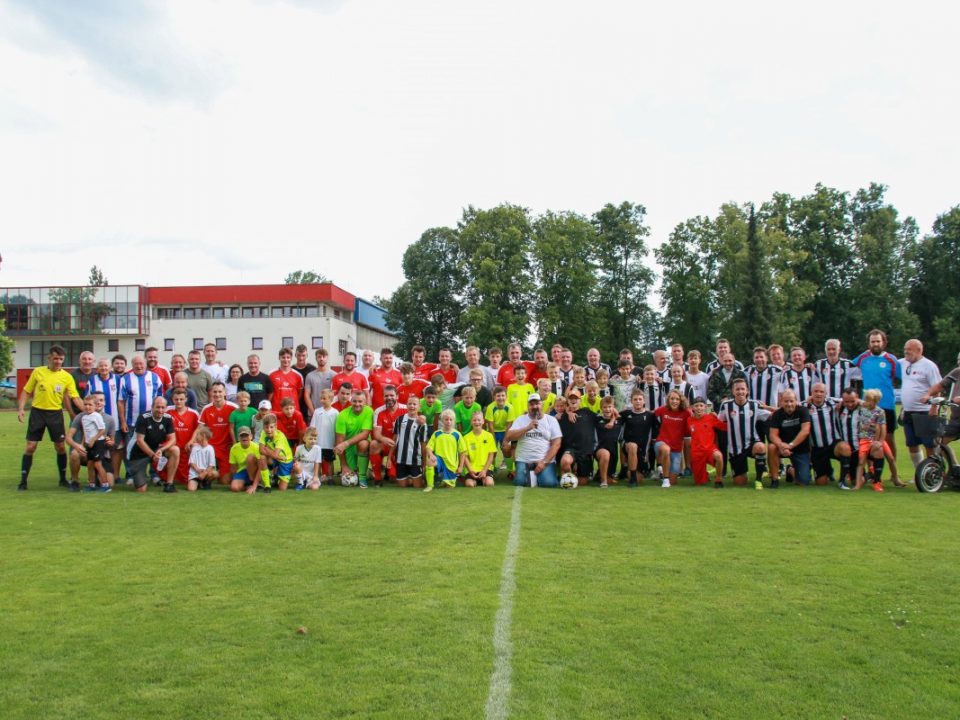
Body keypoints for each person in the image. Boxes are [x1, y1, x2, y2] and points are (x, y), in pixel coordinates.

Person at [18, 345, 84, 490]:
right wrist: (21, 408)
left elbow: (75, 397)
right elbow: (26, 391)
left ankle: (62, 479)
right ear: (49, 358)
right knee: (30, 446)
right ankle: (23, 481)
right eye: (55, 358)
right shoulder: (38, 372)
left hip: (55, 414)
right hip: (38, 413)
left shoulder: (67, 377)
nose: (58, 361)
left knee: (60, 447)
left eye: (61, 359)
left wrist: (87, 411)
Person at [851, 329, 901, 460]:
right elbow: (846, 368)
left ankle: (893, 466)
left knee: (888, 437)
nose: (875, 344)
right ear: (869, 343)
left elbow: (905, 377)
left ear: (884, 342)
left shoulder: (891, 359)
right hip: (868, 406)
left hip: (887, 404)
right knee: (867, 438)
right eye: (872, 342)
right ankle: (871, 469)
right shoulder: (862, 358)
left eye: (878, 341)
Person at [716, 378, 771, 487]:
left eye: (742, 389)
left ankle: (758, 480)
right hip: (735, 449)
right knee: (740, 483)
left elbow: (771, 415)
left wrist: (775, 408)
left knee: (760, 447)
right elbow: (718, 422)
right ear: (733, 391)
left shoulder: (754, 405)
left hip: (751, 443)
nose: (740, 392)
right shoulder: (726, 405)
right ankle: (741, 473)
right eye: (737, 389)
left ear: (747, 391)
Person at [898, 338, 942, 465]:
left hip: (925, 411)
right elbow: (888, 362)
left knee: (929, 444)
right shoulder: (903, 363)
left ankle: (933, 471)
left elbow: (938, 387)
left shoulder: (929, 366)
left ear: (919, 350)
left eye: (909, 350)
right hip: (908, 411)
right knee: (912, 444)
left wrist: (934, 407)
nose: (906, 352)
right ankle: (920, 471)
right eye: (905, 350)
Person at [504, 394, 562, 488]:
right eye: (531, 404)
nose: (534, 406)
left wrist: (544, 462)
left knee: (549, 483)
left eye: (537, 404)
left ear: (542, 404)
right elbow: (509, 437)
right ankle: (532, 476)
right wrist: (527, 428)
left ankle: (535, 476)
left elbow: (556, 444)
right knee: (520, 482)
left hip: (544, 460)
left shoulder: (551, 420)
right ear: (528, 406)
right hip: (524, 460)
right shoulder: (520, 419)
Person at [127, 396, 180, 493]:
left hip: (157, 451)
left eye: (163, 407)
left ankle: (169, 484)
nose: (160, 410)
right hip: (139, 453)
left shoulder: (168, 418)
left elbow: (173, 439)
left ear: (166, 408)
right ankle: (136, 476)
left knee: (175, 450)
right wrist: (152, 455)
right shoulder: (143, 418)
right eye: (158, 407)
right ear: (152, 407)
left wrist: (161, 450)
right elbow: (140, 441)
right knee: (141, 489)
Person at [805, 383, 853, 486]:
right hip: (817, 448)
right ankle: (829, 471)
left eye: (821, 392)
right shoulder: (804, 406)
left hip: (833, 445)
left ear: (826, 393)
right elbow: (787, 407)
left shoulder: (832, 402)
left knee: (845, 448)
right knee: (821, 483)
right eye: (816, 391)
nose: (818, 394)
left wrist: (844, 402)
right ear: (811, 393)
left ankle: (842, 481)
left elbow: (852, 400)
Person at [192, 381, 237, 486]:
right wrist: (192, 441)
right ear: (211, 393)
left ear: (225, 392)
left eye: (220, 392)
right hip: (210, 446)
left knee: (225, 481)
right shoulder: (206, 408)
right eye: (215, 392)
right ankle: (207, 478)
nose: (217, 394)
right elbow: (199, 428)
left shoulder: (233, 408)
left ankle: (215, 475)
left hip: (226, 447)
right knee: (204, 471)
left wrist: (235, 443)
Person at [768, 389, 813, 487]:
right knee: (772, 447)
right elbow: (773, 435)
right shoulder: (777, 414)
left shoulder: (803, 411)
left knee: (803, 482)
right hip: (782, 448)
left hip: (800, 449)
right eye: (786, 401)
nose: (789, 404)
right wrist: (781, 445)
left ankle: (790, 470)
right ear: (781, 402)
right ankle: (775, 479)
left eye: (791, 401)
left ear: (796, 401)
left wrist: (790, 446)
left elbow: (805, 431)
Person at [118, 355, 163, 450]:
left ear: (145, 364)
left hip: (152, 420)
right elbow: (121, 402)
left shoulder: (154, 377)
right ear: (132, 365)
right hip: (132, 422)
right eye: (136, 364)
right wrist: (123, 422)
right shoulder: (125, 379)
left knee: (152, 448)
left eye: (141, 363)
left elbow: (160, 400)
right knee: (131, 449)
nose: (139, 366)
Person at [557, 389, 598, 487]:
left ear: (580, 400)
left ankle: (574, 474)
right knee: (565, 462)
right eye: (571, 398)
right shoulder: (561, 416)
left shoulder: (587, 413)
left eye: (576, 398)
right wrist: (567, 412)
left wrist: (614, 412)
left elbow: (603, 416)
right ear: (567, 401)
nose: (573, 400)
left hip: (585, 451)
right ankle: (569, 479)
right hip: (570, 449)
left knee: (583, 482)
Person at [334, 389, 373, 487]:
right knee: (351, 474)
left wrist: (346, 443)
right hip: (349, 449)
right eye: (354, 401)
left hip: (360, 445)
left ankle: (363, 477)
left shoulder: (369, 411)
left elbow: (365, 434)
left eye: (360, 401)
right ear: (351, 401)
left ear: (365, 402)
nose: (357, 404)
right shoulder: (342, 415)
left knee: (363, 443)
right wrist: (344, 465)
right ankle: (360, 471)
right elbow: (339, 442)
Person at [853, 389, 889, 492]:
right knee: (861, 462)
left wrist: (880, 441)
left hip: (874, 439)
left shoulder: (880, 412)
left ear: (876, 401)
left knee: (886, 456)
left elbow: (882, 428)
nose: (867, 402)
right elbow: (855, 400)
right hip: (863, 439)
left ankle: (878, 481)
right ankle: (858, 484)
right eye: (866, 399)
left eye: (869, 400)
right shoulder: (862, 407)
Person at [920, 350, 960, 444]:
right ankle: (947, 454)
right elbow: (940, 386)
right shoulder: (957, 372)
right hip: (956, 419)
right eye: (958, 360)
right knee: (940, 442)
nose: (959, 363)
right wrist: (928, 394)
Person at [654, 390, 691, 487]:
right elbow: (651, 415)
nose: (674, 401)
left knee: (673, 481)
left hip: (676, 448)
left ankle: (662, 474)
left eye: (677, 399)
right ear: (668, 400)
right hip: (661, 443)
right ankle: (665, 480)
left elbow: (694, 422)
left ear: (681, 401)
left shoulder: (686, 413)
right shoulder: (663, 409)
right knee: (666, 450)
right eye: (672, 399)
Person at [370, 385, 405, 487]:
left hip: (401, 446)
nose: (389, 398)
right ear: (383, 397)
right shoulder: (378, 411)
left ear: (397, 396)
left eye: (391, 395)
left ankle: (390, 471)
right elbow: (376, 434)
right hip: (386, 444)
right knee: (373, 444)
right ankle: (377, 478)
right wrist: (383, 439)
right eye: (386, 396)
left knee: (394, 479)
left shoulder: (406, 409)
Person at [686, 397, 726, 487]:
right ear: (692, 407)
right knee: (700, 482)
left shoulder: (711, 418)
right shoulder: (689, 420)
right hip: (696, 452)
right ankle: (705, 475)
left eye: (701, 405)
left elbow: (723, 426)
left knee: (719, 456)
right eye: (696, 406)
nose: (699, 408)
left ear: (705, 407)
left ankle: (719, 479)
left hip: (709, 449)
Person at [619, 390, 656, 486]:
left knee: (639, 478)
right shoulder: (625, 414)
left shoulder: (650, 415)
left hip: (642, 450)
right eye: (635, 399)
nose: (638, 401)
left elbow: (657, 429)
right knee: (633, 446)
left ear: (644, 401)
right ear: (631, 401)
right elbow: (613, 416)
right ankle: (633, 479)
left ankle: (631, 472)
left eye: (640, 399)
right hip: (628, 446)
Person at [166, 388, 201, 486]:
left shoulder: (193, 413)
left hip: (186, 448)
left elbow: (198, 429)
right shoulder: (167, 411)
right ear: (172, 399)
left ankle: (201, 476)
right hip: (172, 447)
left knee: (185, 478)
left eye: (181, 399)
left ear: (186, 399)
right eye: (176, 399)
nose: (179, 401)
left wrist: (191, 441)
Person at [76, 394, 109, 491]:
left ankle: (105, 485)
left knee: (97, 464)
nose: (87, 407)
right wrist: (83, 443)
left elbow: (102, 430)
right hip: (89, 444)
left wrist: (94, 439)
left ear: (95, 406)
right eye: (85, 404)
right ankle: (92, 484)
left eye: (90, 405)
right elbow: (86, 432)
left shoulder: (96, 416)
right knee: (90, 464)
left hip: (98, 443)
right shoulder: (84, 417)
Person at [424, 409, 462, 492]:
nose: (448, 422)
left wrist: (460, 466)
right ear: (442, 421)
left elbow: (462, 452)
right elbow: (428, 447)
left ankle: (445, 480)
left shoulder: (457, 434)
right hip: (439, 460)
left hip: (451, 464)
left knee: (449, 486)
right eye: (446, 419)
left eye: (451, 420)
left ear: (454, 421)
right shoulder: (437, 433)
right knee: (429, 460)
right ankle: (430, 486)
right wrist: (431, 455)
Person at [393, 396, 427, 489]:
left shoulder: (422, 424)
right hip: (401, 459)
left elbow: (423, 444)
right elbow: (395, 439)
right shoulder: (399, 420)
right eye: (410, 404)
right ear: (406, 405)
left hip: (415, 460)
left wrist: (424, 463)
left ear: (419, 406)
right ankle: (409, 478)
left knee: (417, 486)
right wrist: (389, 457)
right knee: (402, 486)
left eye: (414, 404)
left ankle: (417, 478)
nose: (412, 406)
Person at [458, 411, 497, 487]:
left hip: (485, 468)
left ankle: (484, 479)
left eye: (479, 420)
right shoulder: (466, 438)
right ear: (471, 422)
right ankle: (475, 480)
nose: (477, 422)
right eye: (474, 420)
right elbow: (465, 456)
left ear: (483, 421)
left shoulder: (489, 436)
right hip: (472, 469)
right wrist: (470, 470)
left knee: (489, 483)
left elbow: (491, 455)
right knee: (469, 485)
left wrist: (484, 470)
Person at [309, 388, 339, 483]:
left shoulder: (335, 413)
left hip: (330, 443)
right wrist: (312, 440)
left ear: (331, 399)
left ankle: (330, 478)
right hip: (318, 443)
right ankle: (317, 477)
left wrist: (336, 442)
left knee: (330, 461)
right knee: (318, 461)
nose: (321, 400)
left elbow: (337, 429)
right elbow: (312, 427)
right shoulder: (317, 411)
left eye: (324, 398)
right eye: (321, 398)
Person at [258, 413, 292, 491]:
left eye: (271, 427)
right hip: (276, 458)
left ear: (276, 427)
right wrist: (277, 456)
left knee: (282, 488)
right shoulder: (263, 433)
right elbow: (261, 450)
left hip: (286, 461)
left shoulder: (280, 437)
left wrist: (267, 449)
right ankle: (267, 486)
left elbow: (275, 454)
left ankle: (275, 475)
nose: (269, 430)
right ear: (263, 427)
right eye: (266, 427)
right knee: (262, 458)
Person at [594, 396, 622, 487]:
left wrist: (614, 419)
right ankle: (603, 481)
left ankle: (600, 475)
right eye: (605, 407)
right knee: (605, 454)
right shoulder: (597, 419)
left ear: (614, 407)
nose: (607, 409)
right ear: (601, 408)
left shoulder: (620, 420)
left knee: (611, 478)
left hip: (613, 451)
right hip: (600, 449)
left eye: (610, 407)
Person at [229, 426, 262, 495]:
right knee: (234, 487)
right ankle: (247, 486)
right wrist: (234, 480)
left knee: (250, 457)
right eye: (242, 436)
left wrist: (254, 486)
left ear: (251, 437)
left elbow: (261, 467)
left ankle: (254, 483)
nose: (244, 438)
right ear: (238, 438)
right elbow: (233, 467)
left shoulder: (256, 447)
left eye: (246, 435)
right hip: (242, 471)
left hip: (255, 471)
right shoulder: (234, 448)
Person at [269, 347, 304, 411]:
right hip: (276, 410)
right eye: (283, 357)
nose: (286, 360)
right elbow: (269, 393)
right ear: (279, 358)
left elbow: (299, 394)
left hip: (293, 411)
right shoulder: (271, 374)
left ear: (291, 358)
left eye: (288, 357)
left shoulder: (298, 375)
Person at [303, 348, 335, 416]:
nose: (321, 359)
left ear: (327, 358)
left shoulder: (334, 375)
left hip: (329, 413)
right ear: (316, 358)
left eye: (324, 356)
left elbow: (335, 395)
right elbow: (306, 395)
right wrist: (313, 412)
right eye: (319, 357)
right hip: (313, 412)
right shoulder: (310, 376)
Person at [187, 426, 220, 492]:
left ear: (203, 436)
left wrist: (204, 473)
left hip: (206, 473)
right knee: (191, 489)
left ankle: (206, 482)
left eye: (198, 435)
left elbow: (211, 465)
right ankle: (198, 483)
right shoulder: (195, 448)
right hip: (195, 474)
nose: (196, 437)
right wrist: (198, 470)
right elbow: (191, 462)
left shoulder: (210, 448)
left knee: (215, 474)